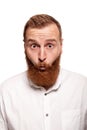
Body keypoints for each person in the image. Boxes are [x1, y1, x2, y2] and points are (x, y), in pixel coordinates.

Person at [0, 14, 87, 130]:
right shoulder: (6, 92)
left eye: (50, 45)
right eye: (34, 46)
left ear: (61, 46)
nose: (42, 56)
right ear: (25, 46)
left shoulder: (82, 87)